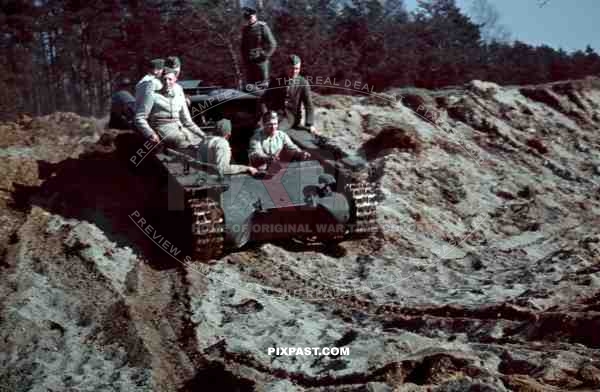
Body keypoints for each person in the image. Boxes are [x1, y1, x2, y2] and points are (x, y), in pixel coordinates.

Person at [134, 67, 205, 148]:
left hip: (181, 129)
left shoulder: (179, 95)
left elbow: (187, 121)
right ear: (160, 80)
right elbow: (139, 118)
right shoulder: (153, 95)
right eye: (164, 79)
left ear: (175, 80)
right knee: (183, 143)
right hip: (162, 130)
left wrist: (203, 135)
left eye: (170, 79)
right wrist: (150, 134)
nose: (167, 82)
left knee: (203, 142)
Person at [260, 54, 317, 133]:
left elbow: (308, 104)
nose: (294, 71)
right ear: (286, 67)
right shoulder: (276, 81)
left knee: (275, 129)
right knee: (259, 128)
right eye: (291, 68)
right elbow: (264, 100)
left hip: (291, 117)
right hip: (275, 114)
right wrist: (265, 115)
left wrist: (310, 124)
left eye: (297, 69)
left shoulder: (303, 83)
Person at [240, 6, 277, 89]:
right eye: (246, 18)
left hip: (261, 62)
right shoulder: (245, 29)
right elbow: (243, 46)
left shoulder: (262, 27)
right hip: (249, 63)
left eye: (250, 17)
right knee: (250, 88)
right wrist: (244, 59)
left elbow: (273, 44)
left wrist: (265, 56)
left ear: (255, 16)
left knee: (263, 86)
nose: (249, 19)